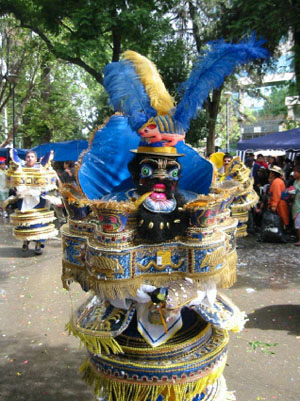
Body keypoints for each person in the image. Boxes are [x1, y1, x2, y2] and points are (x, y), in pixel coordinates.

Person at [8, 149, 58, 255]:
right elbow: (13, 184)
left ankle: (38, 244)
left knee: (39, 222)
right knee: (26, 222)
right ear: (25, 158)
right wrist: (18, 191)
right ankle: (26, 241)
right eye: (28, 157)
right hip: (23, 199)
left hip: (39, 201)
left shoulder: (41, 169)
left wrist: (40, 192)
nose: (30, 158)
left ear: (35, 159)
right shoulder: (20, 169)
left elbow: (48, 184)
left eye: (32, 157)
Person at [292, 164, 300, 246]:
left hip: (299, 205)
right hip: (295, 204)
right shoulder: (295, 182)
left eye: (296, 172)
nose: (294, 173)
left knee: (299, 223)